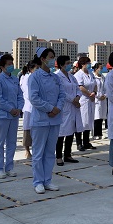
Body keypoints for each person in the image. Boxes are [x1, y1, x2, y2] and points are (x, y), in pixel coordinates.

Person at [28, 47, 66, 193]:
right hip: (41, 120)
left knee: (50, 152)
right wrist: (50, 108)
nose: (53, 60)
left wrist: (58, 108)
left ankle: (47, 180)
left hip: (55, 119)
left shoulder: (55, 77)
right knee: (38, 153)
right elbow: (34, 98)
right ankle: (38, 181)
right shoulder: (35, 77)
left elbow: (62, 95)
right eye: (50, 57)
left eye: (53, 57)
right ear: (42, 59)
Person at [0, 53, 23, 179]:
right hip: (2, 115)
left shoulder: (15, 79)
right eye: (9, 64)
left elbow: (20, 95)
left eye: (12, 63)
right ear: (2, 66)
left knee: (12, 143)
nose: (11, 66)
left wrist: (19, 108)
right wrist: (10, 109)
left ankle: (9, 167)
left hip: (14, 116)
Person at [55, 55, 81, 166]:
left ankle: (68, 154)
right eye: (67, 63)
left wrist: (77, 97)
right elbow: (61, 91)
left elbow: (78, 88)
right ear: (61, 65)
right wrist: (72, 99)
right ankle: (58, 156)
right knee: (61, 133)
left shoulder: (72, 76)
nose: (69, 65)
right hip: (64, 106)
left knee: (71, 131)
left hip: (74, 106)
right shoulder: (57, 76)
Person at [74, 56, 97, 151]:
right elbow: (80, 87)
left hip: (91, 100)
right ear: (83, 64)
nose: (89, 65)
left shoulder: (90, 74)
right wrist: (89, 94)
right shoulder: (78, 75)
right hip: (83, 100)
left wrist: (94, 92)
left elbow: (95, 84)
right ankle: (79, 143)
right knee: (82, 121)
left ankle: (86, 142)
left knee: (89, 121)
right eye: (88, 63)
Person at [19, 61, 37, 159]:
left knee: (37, 130)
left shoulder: (38, 77)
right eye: (36, 68)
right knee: (27, 130)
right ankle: (27, 151)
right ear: (31, 69)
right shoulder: (26, 78)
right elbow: (28, 94)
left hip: (37, 107)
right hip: (29, 107)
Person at [92, 62, 107, 139]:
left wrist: (105, 95)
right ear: (96, 69)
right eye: (100, 68)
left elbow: (106, 88)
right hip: (96, 99)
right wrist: (98, 95)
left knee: (101, 117)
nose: (101, 69)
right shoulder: (93, 77)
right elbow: (92, 88)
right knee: (96, 117)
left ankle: (100, 133)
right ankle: (95, 134)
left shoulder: (103, 77)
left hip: (103, 99)